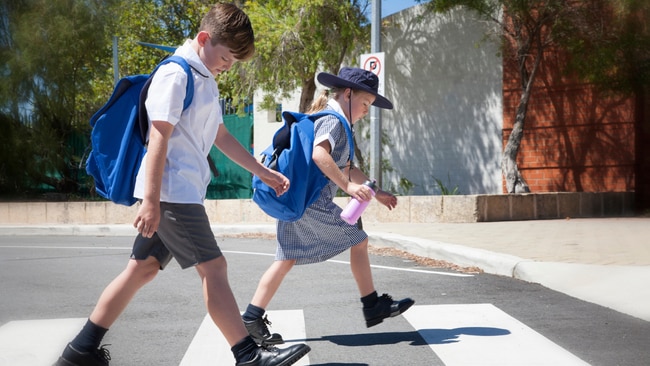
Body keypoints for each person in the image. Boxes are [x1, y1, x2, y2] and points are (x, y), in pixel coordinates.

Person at [55, 4, 310, 366]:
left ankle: (79, 351)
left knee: (140, 269)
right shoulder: (176, 75)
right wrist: (152, 202)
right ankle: (248, 356)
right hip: (172, 195)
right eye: (225, 57)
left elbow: (220, 136)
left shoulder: (204, 78)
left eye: (233, 63)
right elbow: (159, 137)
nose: (227, 66)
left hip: (178, 193)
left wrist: (263, 171)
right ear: (204, 39)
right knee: (214, 268)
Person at [242, 67, 414, 346]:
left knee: (285, 259)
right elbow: (319, 154)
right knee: (359, 240)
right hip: (311, 203)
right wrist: (347, 188)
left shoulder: (335, 121)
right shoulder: (333, 120)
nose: (365, 111)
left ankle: (251, 318)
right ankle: (371, 305)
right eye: (364, 103)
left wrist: (377, 192)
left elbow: (347, 167)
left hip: (297, 200)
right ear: (347, 94)